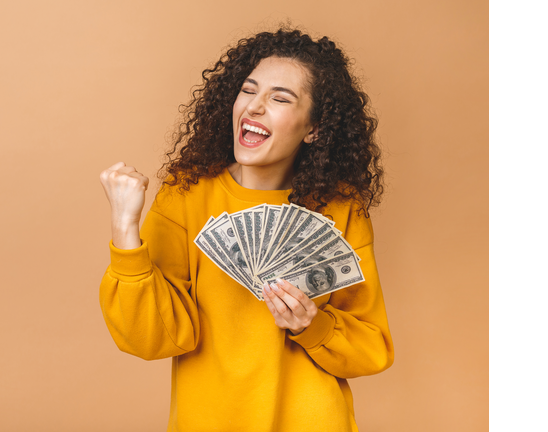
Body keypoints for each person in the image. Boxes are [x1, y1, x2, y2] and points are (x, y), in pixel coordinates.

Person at [98, 27, 393, 432]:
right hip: (211, 419)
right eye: (248, 90)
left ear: (314, 129)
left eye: (280, 98)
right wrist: (124, 227)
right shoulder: (188, 192)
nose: (254, 107)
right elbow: (154, 337)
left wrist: (313, 326)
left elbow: (371, 348)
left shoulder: (340, 209)